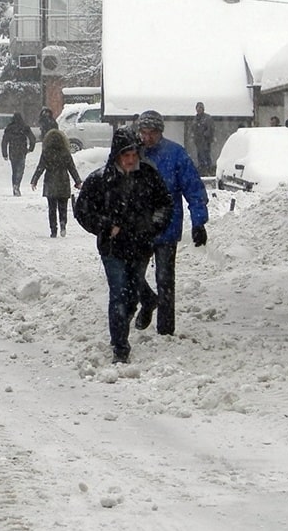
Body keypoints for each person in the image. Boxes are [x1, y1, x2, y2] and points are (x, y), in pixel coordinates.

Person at [74, 128, 173, 364]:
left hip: (140, 246)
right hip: (113, 248)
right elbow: (83, 211)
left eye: (134, 154)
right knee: (118, 294)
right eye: (125, 155)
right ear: (116, 156)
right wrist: (105, 226)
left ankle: (145, 302)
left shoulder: (148, 175)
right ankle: (120, 346)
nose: (130, 160)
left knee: (130, 295)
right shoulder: (100, 180)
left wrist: (153, 226)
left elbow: (165, 205)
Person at [134, 110, 209, 337]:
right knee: (132, 274)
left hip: (167, 227)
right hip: (139, 228)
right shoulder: (132, 153)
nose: (147, 138)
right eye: (143, 133)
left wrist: (199, 221)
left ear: (160, 132)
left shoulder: (175, 155)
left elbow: (193, 189)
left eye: (151, 133)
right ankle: (148, 301)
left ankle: (166, 329)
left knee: (165, 278)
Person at [30, 128, 82, 238]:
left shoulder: (46, 152)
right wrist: (77, 181)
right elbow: (72, 168)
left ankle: (53, 229)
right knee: (63, 207)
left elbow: (40, 167)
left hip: (50, 181)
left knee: (52, 208)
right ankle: (63, 224)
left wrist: (34, 180)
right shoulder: (65, 153)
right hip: (63, 181)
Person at [1, 112, 36, 196]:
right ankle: (17, 185)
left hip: (13, 151)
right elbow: (32, 138)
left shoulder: (9, 128)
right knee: (20, 170)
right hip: (22, 151)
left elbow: (4, 142)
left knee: (14, 170)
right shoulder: (25, 128)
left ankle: (15, 187)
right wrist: (30, 149)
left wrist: (5, 154)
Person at [192, 102, 215, 176]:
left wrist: (205, 135)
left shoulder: (207, 118)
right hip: (198, 142)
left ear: (203, 109)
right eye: (197, 108)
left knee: (206, 156)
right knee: (200, 156)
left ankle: (208, 171)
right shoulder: (195, 118)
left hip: (205, 142)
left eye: (200, 108)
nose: (199, 110)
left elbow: (211, 129)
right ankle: (202, 171)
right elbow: (193, 129)